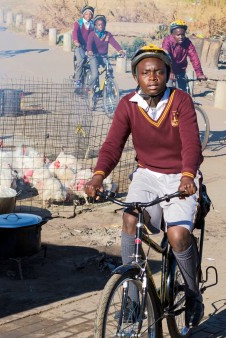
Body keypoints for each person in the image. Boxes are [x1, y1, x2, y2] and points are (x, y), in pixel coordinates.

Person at [83, 44, 205, 327]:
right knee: (130, 217)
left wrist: (188, 175)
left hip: (179, 178)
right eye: (145, 73)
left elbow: (191, 144)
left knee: (177, 236)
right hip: (146, 175)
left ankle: (192, 293)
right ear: (136, 76)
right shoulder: (128, 104)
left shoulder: (181, 101)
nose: (152, 77)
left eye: (158, 72)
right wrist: (98, 175)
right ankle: (132, 297)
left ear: (167, 74)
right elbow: (113, 145)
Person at [162, 20, 207, 92]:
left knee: (183, 93)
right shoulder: (167, 41)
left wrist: (199, 73)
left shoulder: (187, 42)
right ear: (172, 34)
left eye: (183, 35)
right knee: (168, 91)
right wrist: (170, 71)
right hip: (168, 69)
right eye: (178, 35)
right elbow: (166, 56)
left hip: (181, 69)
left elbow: (194, 57)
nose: (181, 37)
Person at [86, 15, 125, 93]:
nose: (101, 26)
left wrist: (120, 50)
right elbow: (89, 44)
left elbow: (114, 42)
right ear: (95, 26)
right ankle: (88, 86)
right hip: (94, 56)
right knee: (95, 74)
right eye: (99, 25)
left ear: (105, 25)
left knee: (110, 70)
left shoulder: (107, 34)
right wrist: (89, 51)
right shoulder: (92, 34)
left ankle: (109, 86)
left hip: (104, 56)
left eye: (102, 24)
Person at [72, 5, 95, 88]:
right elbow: (74, 33)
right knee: (81, 60)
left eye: (90, 14)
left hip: (89, 46)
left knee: (96, 61)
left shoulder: (93, 24)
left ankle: (96, 85)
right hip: (80, 46)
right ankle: (77, 80)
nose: (88, 16)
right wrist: (76, 41)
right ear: (83, 15)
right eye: (86, 14)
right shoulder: (78, 23)